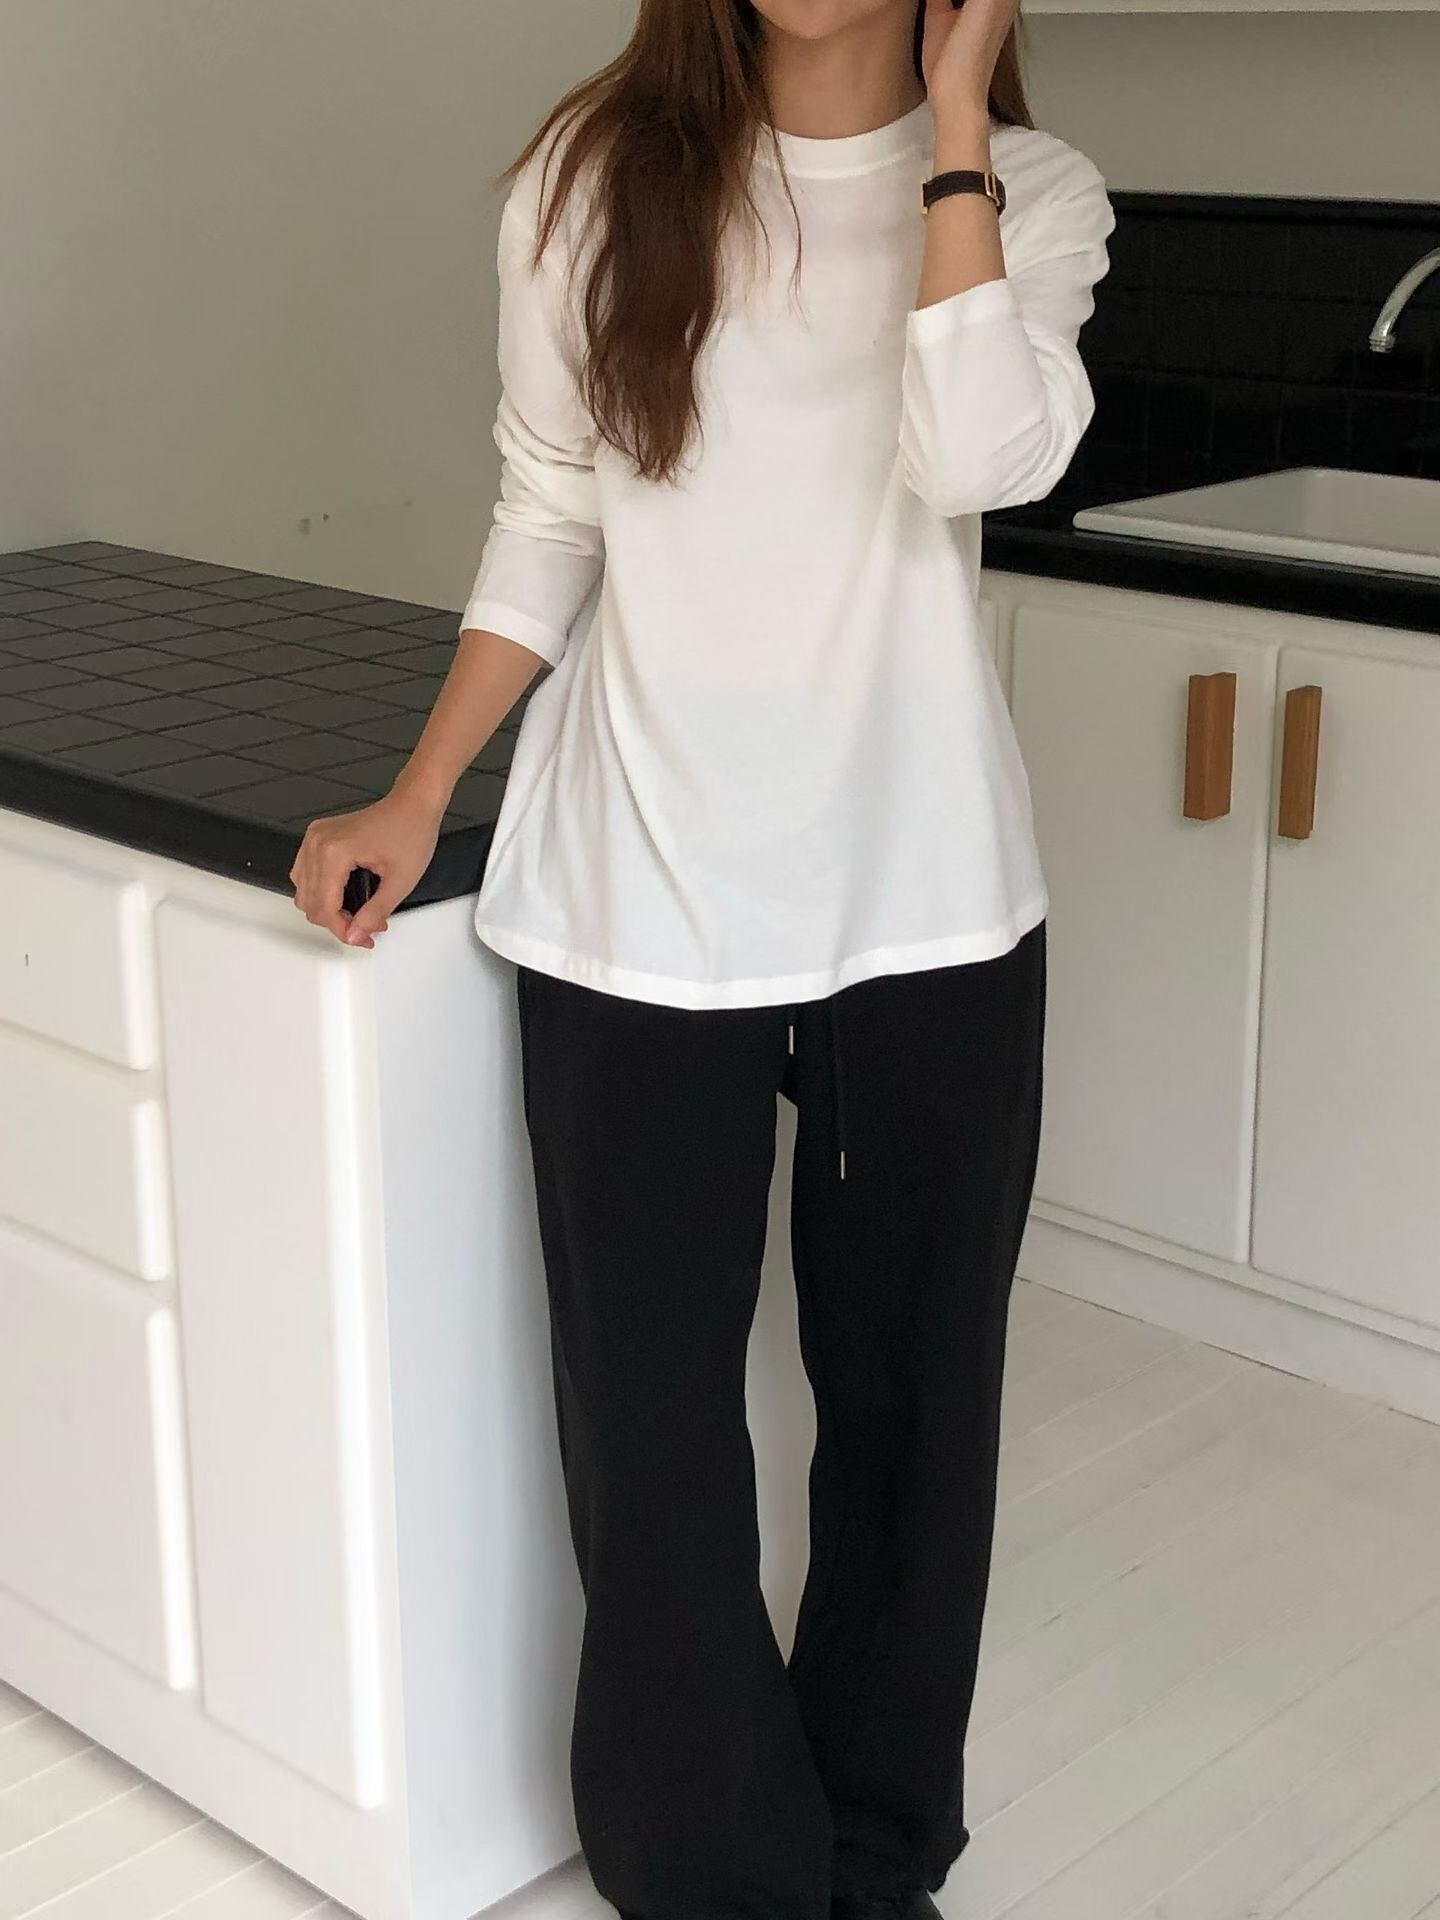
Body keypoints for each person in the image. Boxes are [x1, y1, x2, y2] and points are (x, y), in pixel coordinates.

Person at [291, 2, 1115, 1916]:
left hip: (927, 901)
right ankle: (714, 1877)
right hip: (635, 890)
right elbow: (550, 509)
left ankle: (877, 1857)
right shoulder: (589, 181)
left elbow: (980, 457)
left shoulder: (1031, 190)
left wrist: (958, 123)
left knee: (913, 1414)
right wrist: (420, 790)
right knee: (650, 1436)